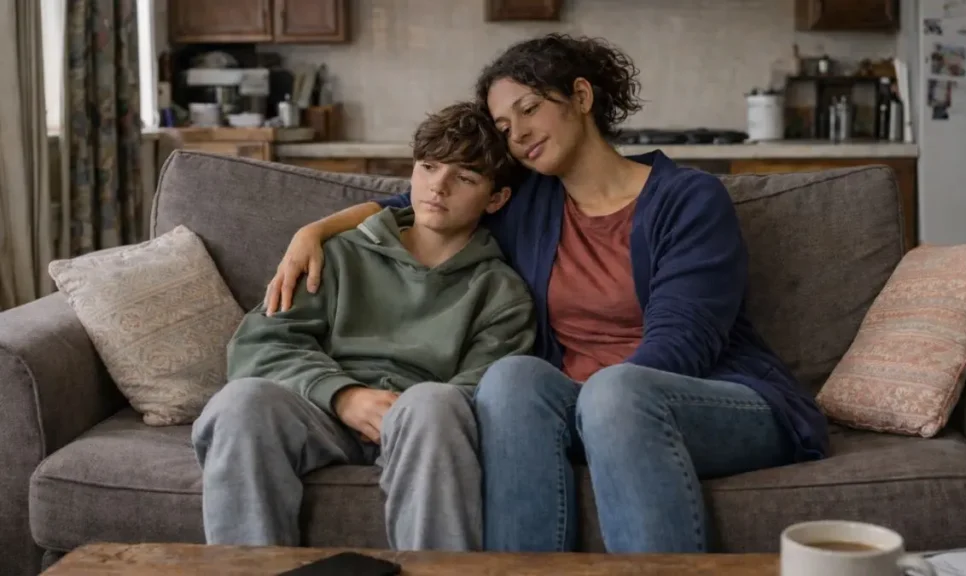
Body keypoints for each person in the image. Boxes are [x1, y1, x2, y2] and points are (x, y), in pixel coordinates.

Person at [263, 34, 831, 554]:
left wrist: (591, 412)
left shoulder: (688, 199)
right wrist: (314, 232)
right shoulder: (527, 204)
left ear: (580, 96)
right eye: (504, 127)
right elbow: (421, 204)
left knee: (617, 394)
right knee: (511, 378)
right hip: (592, 405)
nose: (519, 134)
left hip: (712, 399)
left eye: (529, 109)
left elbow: (686, 343)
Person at [191, 101, 536, 552]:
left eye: (465, 177)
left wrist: (400, 411)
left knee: (434, 404)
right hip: (322, 412)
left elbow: (485, 386)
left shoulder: (501, 291)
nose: (439, 186)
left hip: (421, 424)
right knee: (241, 402)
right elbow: (261, 342)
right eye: (429, 167)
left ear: (496, 199)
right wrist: (343, 396)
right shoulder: (338, 253)